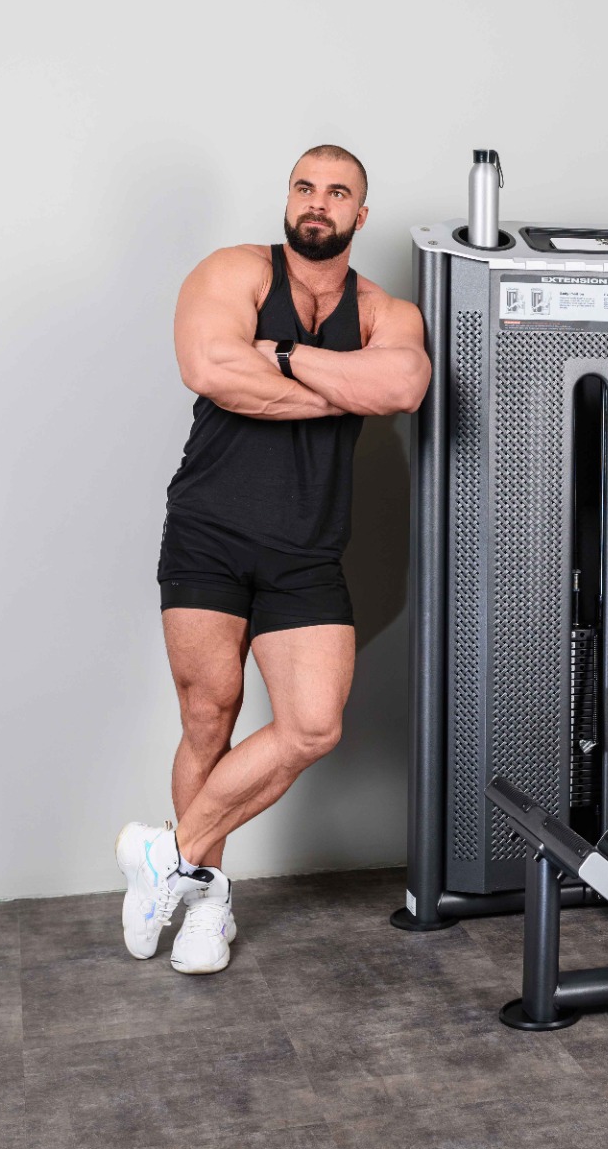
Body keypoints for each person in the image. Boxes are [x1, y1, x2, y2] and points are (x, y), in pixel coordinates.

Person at [115, 145, 429, 973]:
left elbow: (401, 387)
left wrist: (281, 356)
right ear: (288, 199)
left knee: (312, 725)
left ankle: (165, 856)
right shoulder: (237, 271)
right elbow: (212, 368)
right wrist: (341, 388)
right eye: (304, 187)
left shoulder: (385, 309)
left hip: (308, 548)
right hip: (209, 530)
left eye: (338, 192)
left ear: (361, 213)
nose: (317, 202)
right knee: (208, 718)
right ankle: (207, 906)